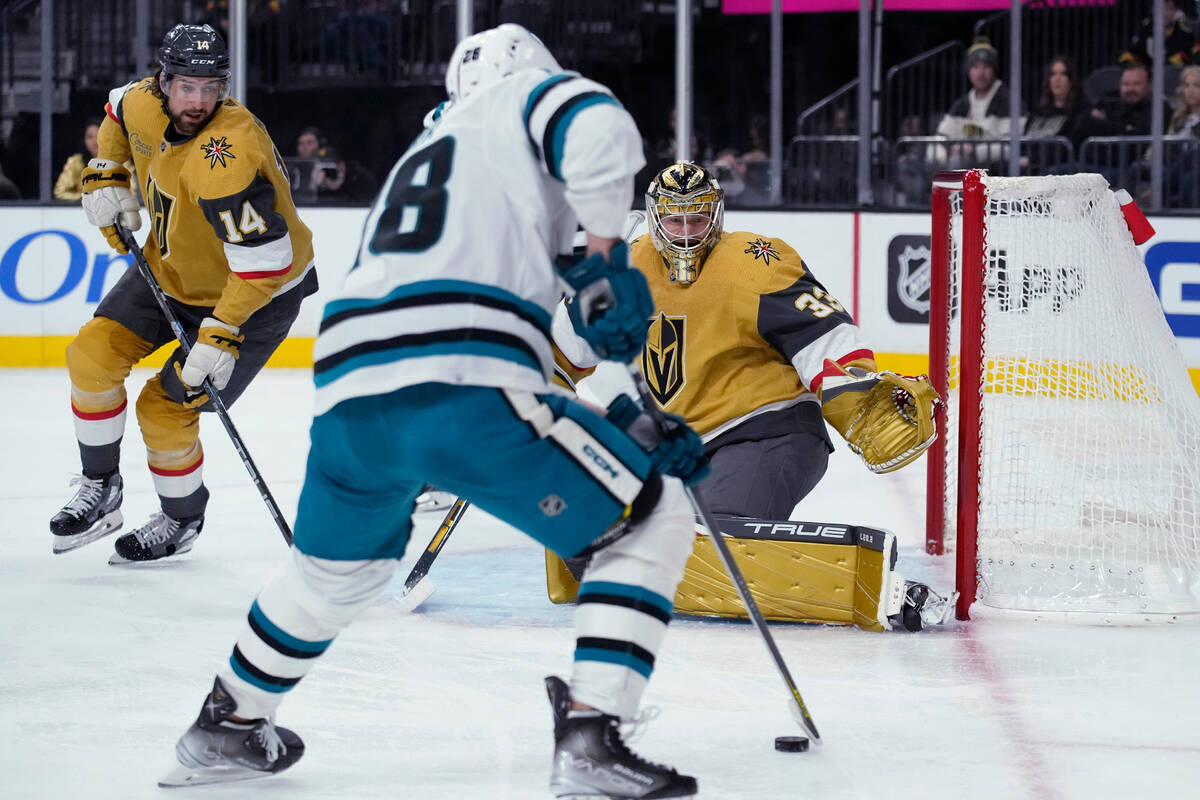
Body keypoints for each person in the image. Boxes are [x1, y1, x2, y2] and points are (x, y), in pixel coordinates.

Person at [162, 24, 706, 798]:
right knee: (651, 518)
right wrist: (611, 254)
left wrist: (627, 413)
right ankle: (593, 733)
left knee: (334, 577)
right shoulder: (527, 102)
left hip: (351, 394)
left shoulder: (437, 154)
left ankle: (229, 720)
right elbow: (598, 129)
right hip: (460, 374)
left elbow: (568, 333)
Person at [548, 162, 954, 633]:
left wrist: (856, 396)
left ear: (716, 216)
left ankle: (886, 591)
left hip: (768, 433)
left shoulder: (755, 261)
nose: (685, 234)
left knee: (713, 546)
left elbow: (824, 337)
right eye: (675, 220)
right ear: (655, 218)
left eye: (696, 219)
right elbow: (559, 352)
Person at [49, 23, 318, 564]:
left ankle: (181, 517)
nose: (198, 100)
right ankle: (101, 489)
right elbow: (115, 113)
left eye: (211, 87)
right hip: (170, 273)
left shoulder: (229, 154)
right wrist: (107, 171)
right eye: (186, 86)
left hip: (253, 297)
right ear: (163, 81)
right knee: (90, 356)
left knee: (166, 407)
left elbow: (265, 263)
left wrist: (219, 335)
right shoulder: (143, 101)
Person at [935, 36, 1017, 169]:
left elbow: (1010, 147)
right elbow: (941, 136)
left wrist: (972, 151)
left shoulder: (1008, 101)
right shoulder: (962, 104)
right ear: (969, 71)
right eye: (975, 67)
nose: (980, 73)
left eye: (986, 67)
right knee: (911, 163)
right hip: (957, 162)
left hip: (992, 168)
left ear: (994, 70)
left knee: (957, 163)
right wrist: (944, 155)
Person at [53, 118, 101, 201]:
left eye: (98, 135)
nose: (94, 141)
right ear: (84, 140)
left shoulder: (119, 161)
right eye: (89, 137)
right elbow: (60, 192)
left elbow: (130, 192)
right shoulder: (75, 162)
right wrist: (86, 199)